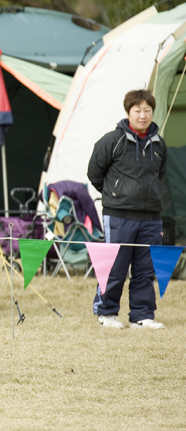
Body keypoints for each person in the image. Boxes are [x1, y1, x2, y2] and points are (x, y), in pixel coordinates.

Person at [87, 89, 167, 329]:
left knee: (145, 269)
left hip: (151, 217)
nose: (143, 115)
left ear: (152, 112)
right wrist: (115, 194)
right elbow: (94, 172)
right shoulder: (113, 140)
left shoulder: (159, 144)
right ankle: (106, 313)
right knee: (114, 266)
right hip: (118, 216)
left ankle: (142, 316)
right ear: (128, 112)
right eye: (137, 110)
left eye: (147, 110)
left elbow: (161, 176)